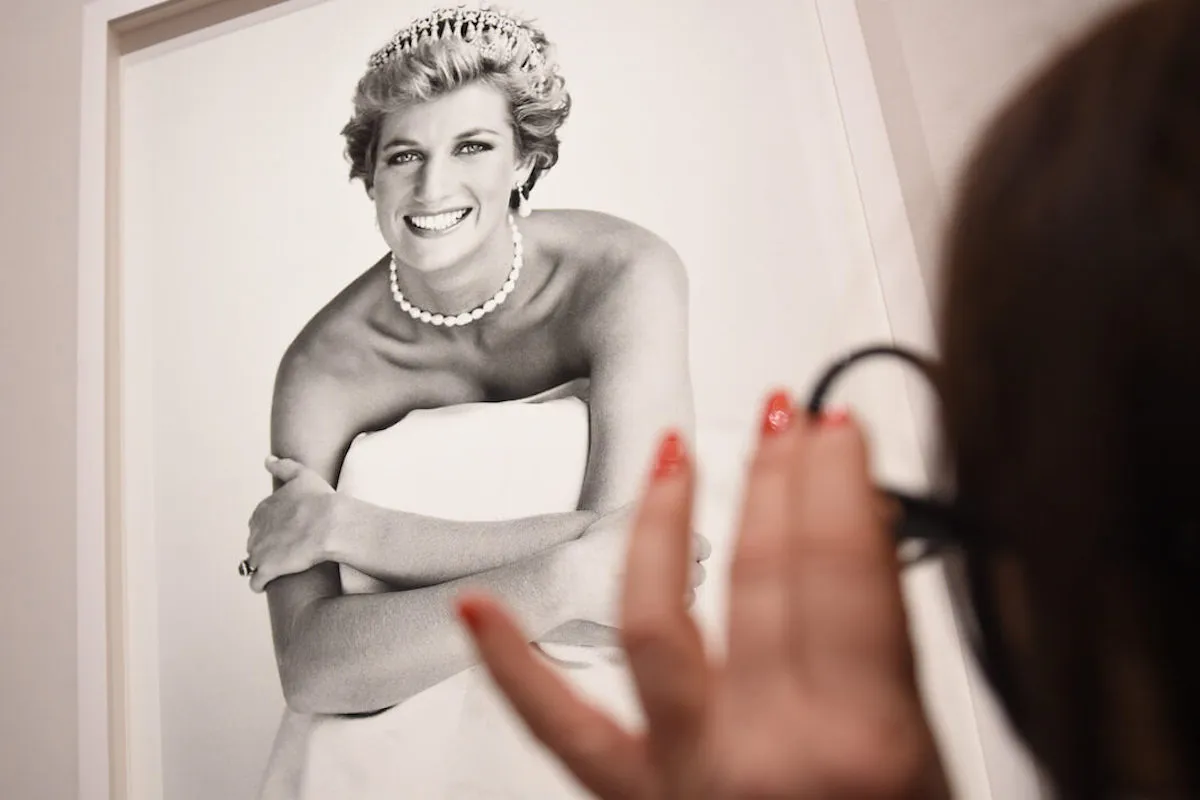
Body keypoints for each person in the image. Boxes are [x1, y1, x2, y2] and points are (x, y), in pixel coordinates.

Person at [455, 0, 1200, 797]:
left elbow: (603, 577)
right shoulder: (342, 355)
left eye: (978, 496)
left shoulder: (628, 273)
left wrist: (369, 537)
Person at [239, 4, 708, 798]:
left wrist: (357, 529)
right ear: (370, 173)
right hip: (388, 753)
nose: (432, 187)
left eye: (473, 146)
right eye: (403, 156)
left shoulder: (624, 275)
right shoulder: (321, 370)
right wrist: (563, 577)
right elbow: (314, 671)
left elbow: (641, 595)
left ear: (525, 158)